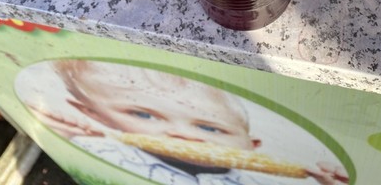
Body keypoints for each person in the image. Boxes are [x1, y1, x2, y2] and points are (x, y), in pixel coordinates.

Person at [23, 60, 348, 185]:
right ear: (94, 114)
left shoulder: (254, 178)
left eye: (210, 127)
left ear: (252, 145)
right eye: (143, 114)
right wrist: (64, 131)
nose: (180, 135)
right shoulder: (105, 151)